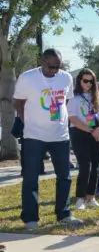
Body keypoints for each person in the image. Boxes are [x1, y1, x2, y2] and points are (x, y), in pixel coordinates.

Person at [14, 49, 81, 229]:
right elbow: (18, 101)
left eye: (58, 66)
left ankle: (64, 214)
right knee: (31, 178)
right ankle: (30, 218)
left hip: (60, 135)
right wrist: (25, 118)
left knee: (64, 177)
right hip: (34, 136)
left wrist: (59, 120)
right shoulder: (27, 78)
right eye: (51, 67)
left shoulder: (66, 77)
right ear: (43, 62)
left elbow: (65, 102)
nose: (55, 70)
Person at [69, 68, 99, 211]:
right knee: (85, 167)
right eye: (85, 81)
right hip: (80, 133)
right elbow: (73, 118)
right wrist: (91, 131)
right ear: (79, 81)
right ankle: (80, 199)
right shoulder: (74, 99)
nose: (88, 84)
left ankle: (91, 197)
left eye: (91, 81)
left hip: (97, 132)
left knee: (95, 167)